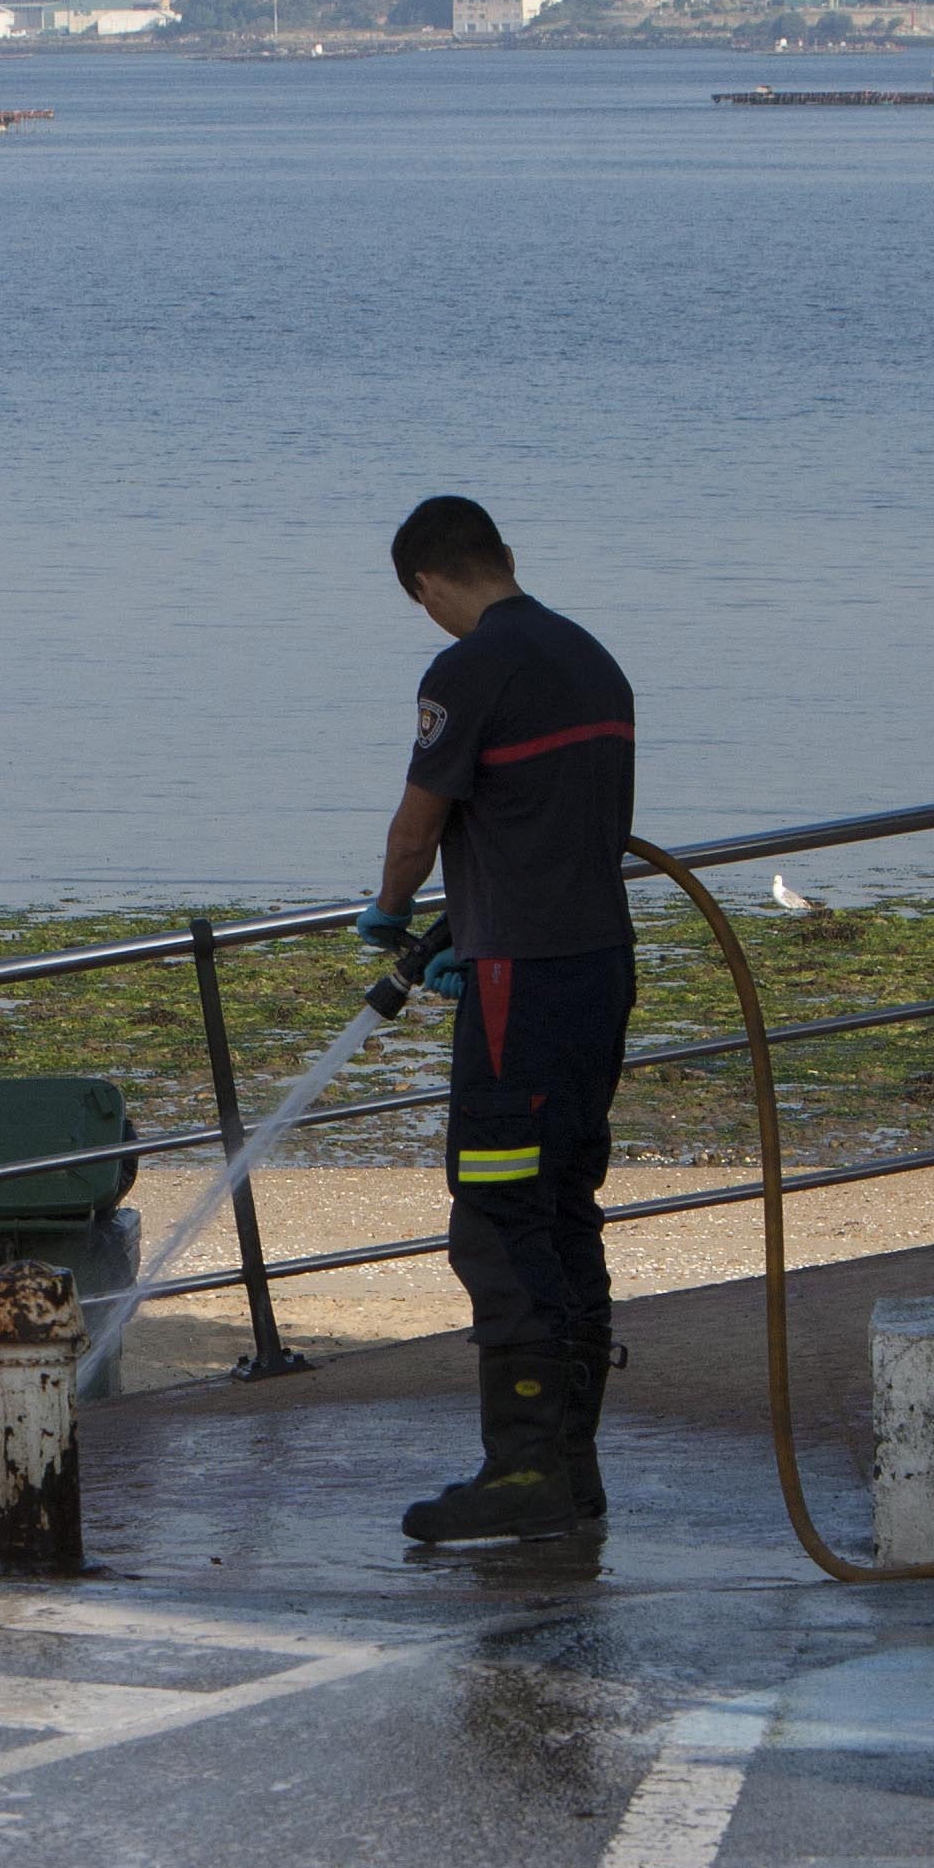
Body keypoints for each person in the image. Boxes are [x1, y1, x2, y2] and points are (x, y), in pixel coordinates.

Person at [353, 496, 637, 1544]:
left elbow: (418, 825)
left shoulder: (467, 670)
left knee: (499, 1211)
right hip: (598, 965)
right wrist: (462, 931)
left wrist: (388, 919)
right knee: (564, 1209)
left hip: (524, 982)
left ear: (426, 584)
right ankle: (572, 1467)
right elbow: (552, 827)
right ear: (503, 557)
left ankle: (524, 1474)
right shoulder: (590, 658)